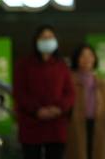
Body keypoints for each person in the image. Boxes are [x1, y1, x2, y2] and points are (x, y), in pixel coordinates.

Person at [14, 25, 75, 159]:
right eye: (43, 37)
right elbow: (20, 92)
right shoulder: (24, 65)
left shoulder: (61, 65)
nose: (47, 40)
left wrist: (59, 109)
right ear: (36, 40)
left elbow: (70, 93)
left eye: (50, 37)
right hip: (31, 125)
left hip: (56, 126)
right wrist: (37, 110)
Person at [66, 44, 105, 159]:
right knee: (78, 153)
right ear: (76, 59)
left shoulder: (101, 82)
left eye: (90, 55)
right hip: (76, 125)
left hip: (98, 124)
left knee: (97, 153)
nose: (87, 59)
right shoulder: (69, 80)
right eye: (83, 55)